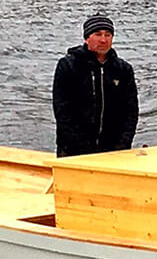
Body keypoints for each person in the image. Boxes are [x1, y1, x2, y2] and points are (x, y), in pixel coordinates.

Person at [53, 13, 137, 157]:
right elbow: (62, 110)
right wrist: (79, 146)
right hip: (73, 149)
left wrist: (123, 144)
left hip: (113, 148)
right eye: (98, 34)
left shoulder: (123, 69)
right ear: (87, 38)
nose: (103, 40)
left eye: (108, 35)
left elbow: (130, 111)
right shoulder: (68, 66)